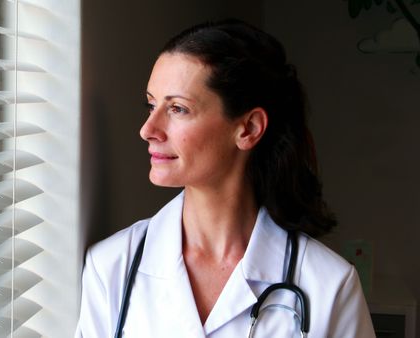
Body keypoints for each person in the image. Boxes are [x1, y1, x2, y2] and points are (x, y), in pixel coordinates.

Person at [75, 19, 376, 338]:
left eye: (177, 109)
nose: (148, 130)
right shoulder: (111, 266)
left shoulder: (328, 285)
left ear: (248, 128)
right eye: (151, 105)